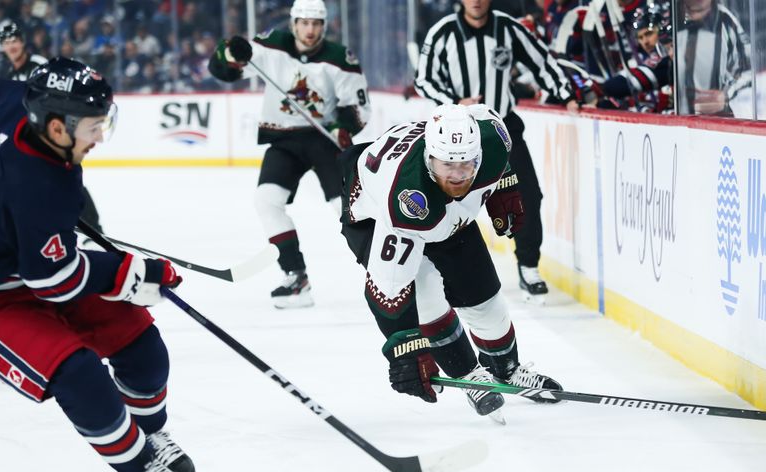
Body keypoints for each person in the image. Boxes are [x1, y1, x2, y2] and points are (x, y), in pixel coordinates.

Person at [0, 57, 194, 472]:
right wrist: (133, 273)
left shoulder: (13, 97)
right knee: (80, 374)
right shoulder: (36, 187)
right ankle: (138, 462)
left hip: (30, 257)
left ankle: (150, 431)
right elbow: (53, 280)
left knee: (143, 348)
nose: (99, 137)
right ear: (55, 128)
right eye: (93, 127)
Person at [340, 103, 563, 420]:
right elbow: (387, 288)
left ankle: (507, 370)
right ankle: (468, 375)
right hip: (374, 218)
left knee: (485, 300)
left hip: (443, 215)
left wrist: (504, 184)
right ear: (430, 157)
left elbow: (485, 117)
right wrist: (405, 350)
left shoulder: (493, 139)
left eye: (467, 165)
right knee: (426, 291)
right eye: (447, 165)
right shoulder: (405, 198)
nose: (458, 176)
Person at [207, 0, 370, 308]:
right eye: (304, 23)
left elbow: (359, 108)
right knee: (266, 201)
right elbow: (226, 69)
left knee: (346, 208)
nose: (310, 30)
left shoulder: (340, 58)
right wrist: (230, 53)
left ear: (324, 26)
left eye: (316, 24)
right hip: (283, 139)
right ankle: (296, 277)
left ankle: (386, 272)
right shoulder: (272, 44)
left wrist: (343, 127)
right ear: (294, 23)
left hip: (324, 140)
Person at [415, 0, 577, 303]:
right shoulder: (443, 33)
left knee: (527, 195)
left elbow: (541, 62)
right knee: (446, 200)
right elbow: (423, 79)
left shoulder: (508, 27)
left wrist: (568, 95)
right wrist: (453, 101)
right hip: (454, 134)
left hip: (502, 130)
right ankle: (432, 269)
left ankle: (529, 267)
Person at [0, 22, 105, 232]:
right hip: (25, 137)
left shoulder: (39, 65)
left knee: (67, 177)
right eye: (7, 42)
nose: (12, 46)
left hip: (49, 135)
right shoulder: (5, 73)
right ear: (1, 47)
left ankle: (94, 229)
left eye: (15, 40)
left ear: (23, 42)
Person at [675, 0, 751, 117]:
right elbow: (655, 64)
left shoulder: (726, 22)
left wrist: (726, 96)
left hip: (715, 125)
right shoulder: (672, 19)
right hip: (677, 125)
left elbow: (749, 73)